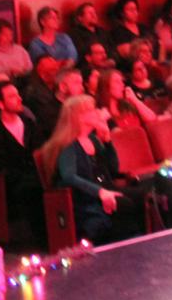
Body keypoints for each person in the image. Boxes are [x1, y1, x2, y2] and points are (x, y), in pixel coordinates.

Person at [38, 95, 139, 245]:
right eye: (92, 110)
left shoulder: (92, 139)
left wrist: (107, 140)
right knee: (125, 204)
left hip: (101, 188)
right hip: (82, 197)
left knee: (141, 196)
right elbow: (69, 177)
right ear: (79, 117)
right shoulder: (67, 144)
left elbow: (113, 168)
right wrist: (100, 192)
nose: (97, 112)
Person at [0, 80, 44, 243]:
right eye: (12, 96)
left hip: (34, 175)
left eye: (18, 94)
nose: (19, 99)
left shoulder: (30, 125)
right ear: (0, 104)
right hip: (12, 182)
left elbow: (40, 152)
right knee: (34, 187)